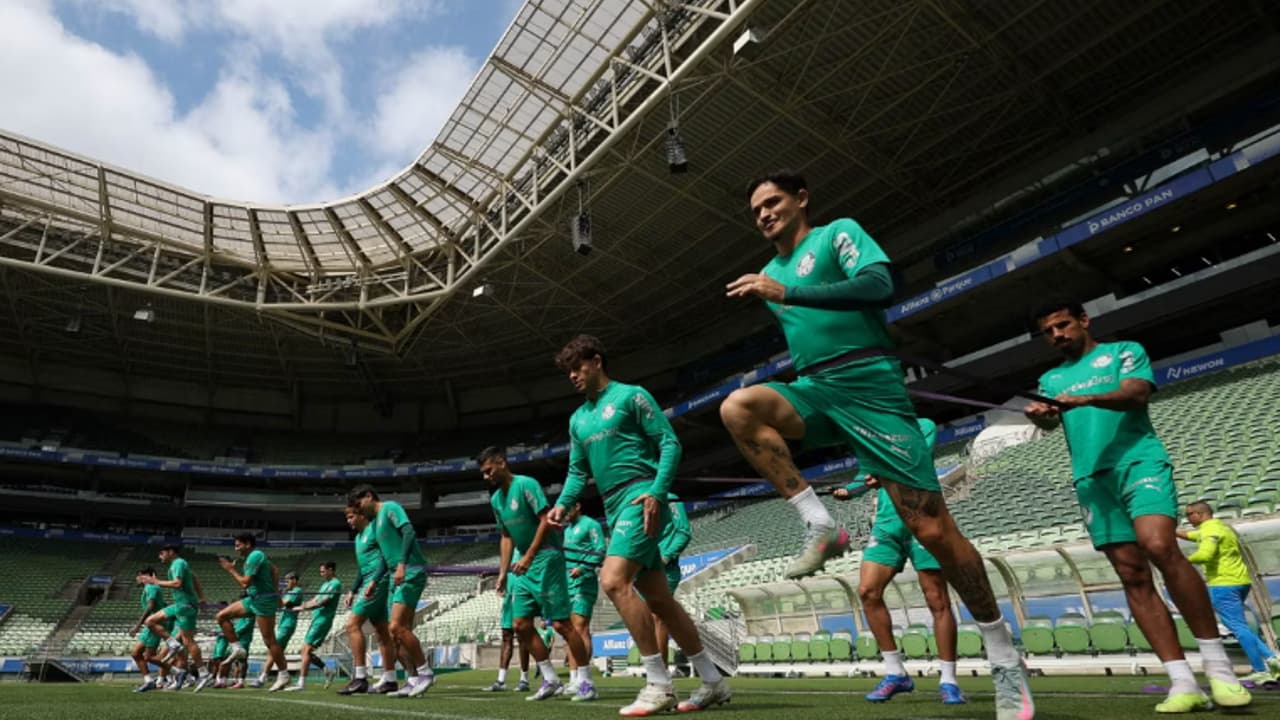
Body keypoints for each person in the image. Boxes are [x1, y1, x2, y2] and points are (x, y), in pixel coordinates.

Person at [720, 171, 1031, 719]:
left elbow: (880, 286)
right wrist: (778, 287)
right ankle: (819, 522)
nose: (764, 214)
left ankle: (1004, 653)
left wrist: (787, 291)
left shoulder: (836, 233)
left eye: (772, 202)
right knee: (738, 407)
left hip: (871, 387)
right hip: (817, 387)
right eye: (756, 210)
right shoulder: (767, 271)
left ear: (801, 199)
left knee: (932, 529)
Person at [1026, 299, 1251, 712]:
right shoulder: (1050, 378)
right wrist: (1043, 416)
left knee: (1159, 546)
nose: (1057, 335)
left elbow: (1137, 393)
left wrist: (1084, 399)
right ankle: (1182, 681)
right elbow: (1051, 420)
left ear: (1083, 321)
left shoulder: (1123, 351)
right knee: (1131, 574)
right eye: (1049, 331)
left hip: (1138, 462)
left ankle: (1220, 671)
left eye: (1063, 325)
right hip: (1091, 478)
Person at [547, 334, 731, 716]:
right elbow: (578, 471)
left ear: (596, 361)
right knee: (660, 600)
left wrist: (658, 492)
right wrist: (562, 505)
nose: (573, 377)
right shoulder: (578, 419)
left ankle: (659, 683)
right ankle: (713, 681)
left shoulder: (632, 396)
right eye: (568, 373)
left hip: (641, 495)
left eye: (577, 368)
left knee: (613, 581)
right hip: (614, 507)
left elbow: (669, 443)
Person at [833, 418, 965, 705]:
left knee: (937, 599)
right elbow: (865, 475)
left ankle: (949, 680)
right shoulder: (872, 432)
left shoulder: (924, 425)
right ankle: (896, 674)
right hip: (887, 524)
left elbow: (913, 462)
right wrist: (851, 488)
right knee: (868, 591)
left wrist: (882, 474)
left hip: (924, 518)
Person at [480, 447, 595, 701]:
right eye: (483, 473)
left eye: (488, 470)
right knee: (520, 625)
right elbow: (506, 535)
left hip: (546, 558)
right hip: (523, 566)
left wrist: (529, 556)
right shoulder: (496, 500)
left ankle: (586, 682)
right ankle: (551, 679)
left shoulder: (526, 485)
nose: (486, 477)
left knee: (561, 624)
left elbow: (545, 520)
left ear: (501, 462)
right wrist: (502, 573)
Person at [348, 484, 436, 698]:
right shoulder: (376, 524)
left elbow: (408, 532)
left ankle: (425, 673)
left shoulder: (390, 508)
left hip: (410, 572)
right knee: (395, 634)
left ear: (369, 496)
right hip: (393, 577)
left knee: (396, 627)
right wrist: (374, 581)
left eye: (359, 505)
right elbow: (385, 557)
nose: (358, 511)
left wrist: (402, 564)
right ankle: (412, 679)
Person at [1178, 502, 1280, 683]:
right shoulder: (1221, 528)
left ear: (1200, 514)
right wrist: (1169, 532)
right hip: (1240, 581)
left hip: (1223, 584)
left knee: (1238, 628)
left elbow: (1205, 555)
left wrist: (1179, 561)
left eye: (1189, 514)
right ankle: (1273, 660)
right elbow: (1193, 536)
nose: (1187, 517)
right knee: (1240, 626)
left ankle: (1260, 669)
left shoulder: (1210, 531)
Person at [213, 533, 291, 692]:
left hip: (263, 601)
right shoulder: (253, 557)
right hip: (253, 598)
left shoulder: (255, 555)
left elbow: (244, 583)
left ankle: (283, 674)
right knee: (221, 616)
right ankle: (237, 647)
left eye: (238, 545)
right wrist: (277, 594)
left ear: (247, 544)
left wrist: (230, 569)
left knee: (269, 641)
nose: (236, 548)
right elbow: (274, 570)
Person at [337, 503, 400, 695]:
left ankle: (360, 677)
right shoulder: (358, 538)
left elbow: (384, 557)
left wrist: (374, 581)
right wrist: (352, 590)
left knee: (352, 625)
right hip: (369, 582)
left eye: (351, 517)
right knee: (381, 632)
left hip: (378, 582)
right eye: (347, 518)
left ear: (362, 515)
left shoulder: (375, 528)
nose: (349, 521)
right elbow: (362, 568)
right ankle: (390, 679)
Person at [138, 544, 206, 691]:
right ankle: (172, 643)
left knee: (188, 641)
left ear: (171, 552)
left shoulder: (178, 563)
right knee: (150, 621)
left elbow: (177, 583)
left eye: (162, 553)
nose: (160, 556)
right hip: (180, 605)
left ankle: (203, 673)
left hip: (186, 605)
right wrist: (201, 597)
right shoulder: (180, 564)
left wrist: (156, 582)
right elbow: (195, 578)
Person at [563, 500, 606, 689]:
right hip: (567, 585)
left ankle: (584, 677)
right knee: (570, 632)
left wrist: (582, 567)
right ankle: (573, 678)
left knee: (580, 628)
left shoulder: (591, 524)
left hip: (584, 582)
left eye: (566, 509)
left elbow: (600, 550)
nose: (563, 513)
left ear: (578, 506)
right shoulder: (566, 530)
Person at [285, 561, 343, 691]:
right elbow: (315, 600)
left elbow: (322, 602)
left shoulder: (335, 584)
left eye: (323, 570)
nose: (321, 573)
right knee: (306, 652)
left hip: (323, 620)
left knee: (305, 650)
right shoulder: (325, 584)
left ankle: (301, 684)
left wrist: (303, 608)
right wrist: (299, 607)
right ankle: (327, 670)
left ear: (331, 570)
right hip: (316, 619)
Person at [651, 493, 691, 674]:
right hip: (644, 569)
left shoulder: (671, 498)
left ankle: (661, 674)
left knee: (657, 616)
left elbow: (683, 532)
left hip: (665, 570)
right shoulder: (635, 499)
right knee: (652, 619)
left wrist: (665, 557)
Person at [483, 562, 533, 693]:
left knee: (523, 638)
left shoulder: (526, 548)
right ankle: (500, 681)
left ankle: (524, 680)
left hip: (522, 594)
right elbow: (504, 567)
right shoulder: (510, 550)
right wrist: (494, 573)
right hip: (508, 597)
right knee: (506, 637)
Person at [254, 571, 303, 688]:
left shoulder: (296, 591)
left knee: (273, 650)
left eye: (288, 581)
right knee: (278, 652)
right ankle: (284, 678)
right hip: (284, 623)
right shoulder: (290, 592)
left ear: (294, 580)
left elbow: (282, 603)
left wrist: (276, 595)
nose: (286, 583)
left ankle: (262, 678)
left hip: (288, 624)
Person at [128, 567, 172, 693]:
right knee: (138, 654)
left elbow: (150, 605)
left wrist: (137, 625)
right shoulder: (150, 588)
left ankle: (178, 672)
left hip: (154, 625)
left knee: (148, 656)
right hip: (150, 625)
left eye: (139, 575)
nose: (137, 578)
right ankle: (149, 681)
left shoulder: (151, 587)